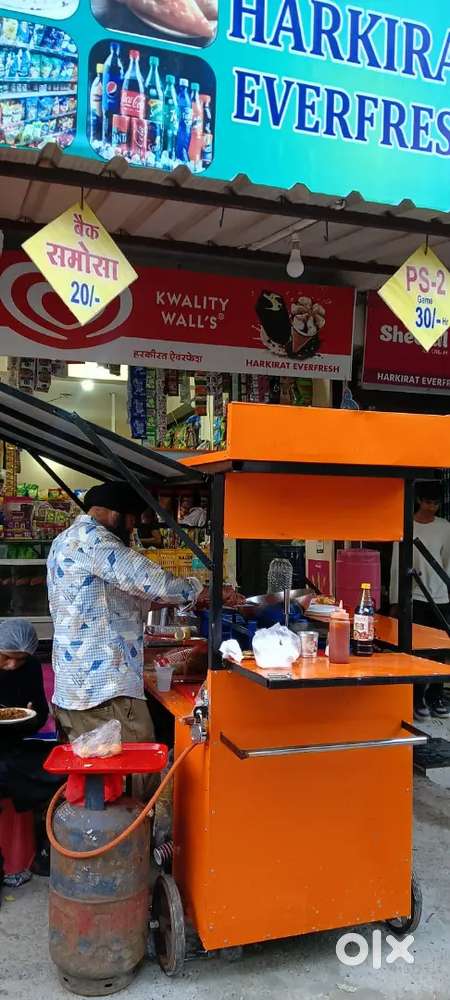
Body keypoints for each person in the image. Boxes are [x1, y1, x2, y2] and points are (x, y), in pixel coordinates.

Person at [47, 481, 202, 759]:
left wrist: (182, 600)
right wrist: (200, 591)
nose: (132, 528)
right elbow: (153, 581)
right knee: (134, 767)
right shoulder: (97, 542)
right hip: (104, 693)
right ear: (114, 514)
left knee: (97, 773)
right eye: (131, 519)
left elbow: (117, 598)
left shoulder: (64, 540)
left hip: (75, 688)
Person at [0, 619, 60, 885]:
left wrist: (30, 718)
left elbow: (40, 714)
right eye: (6, 658)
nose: (13, 665)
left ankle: (41, 852)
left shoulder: (31, 667)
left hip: (15, 745)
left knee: (56, 771)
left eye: (20, 660)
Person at [390, 482, 450, 720]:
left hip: (441, 596)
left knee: (441, 649)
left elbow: (448, 562)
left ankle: (436, 696)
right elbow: (397, 565)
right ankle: (416, 698)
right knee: (417, 650)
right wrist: (395, 600)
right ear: (418, 501)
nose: (431, 507)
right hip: (415, 595)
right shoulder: (406, 526)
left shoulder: (445, 527)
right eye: (427, 502)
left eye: (435, 503)